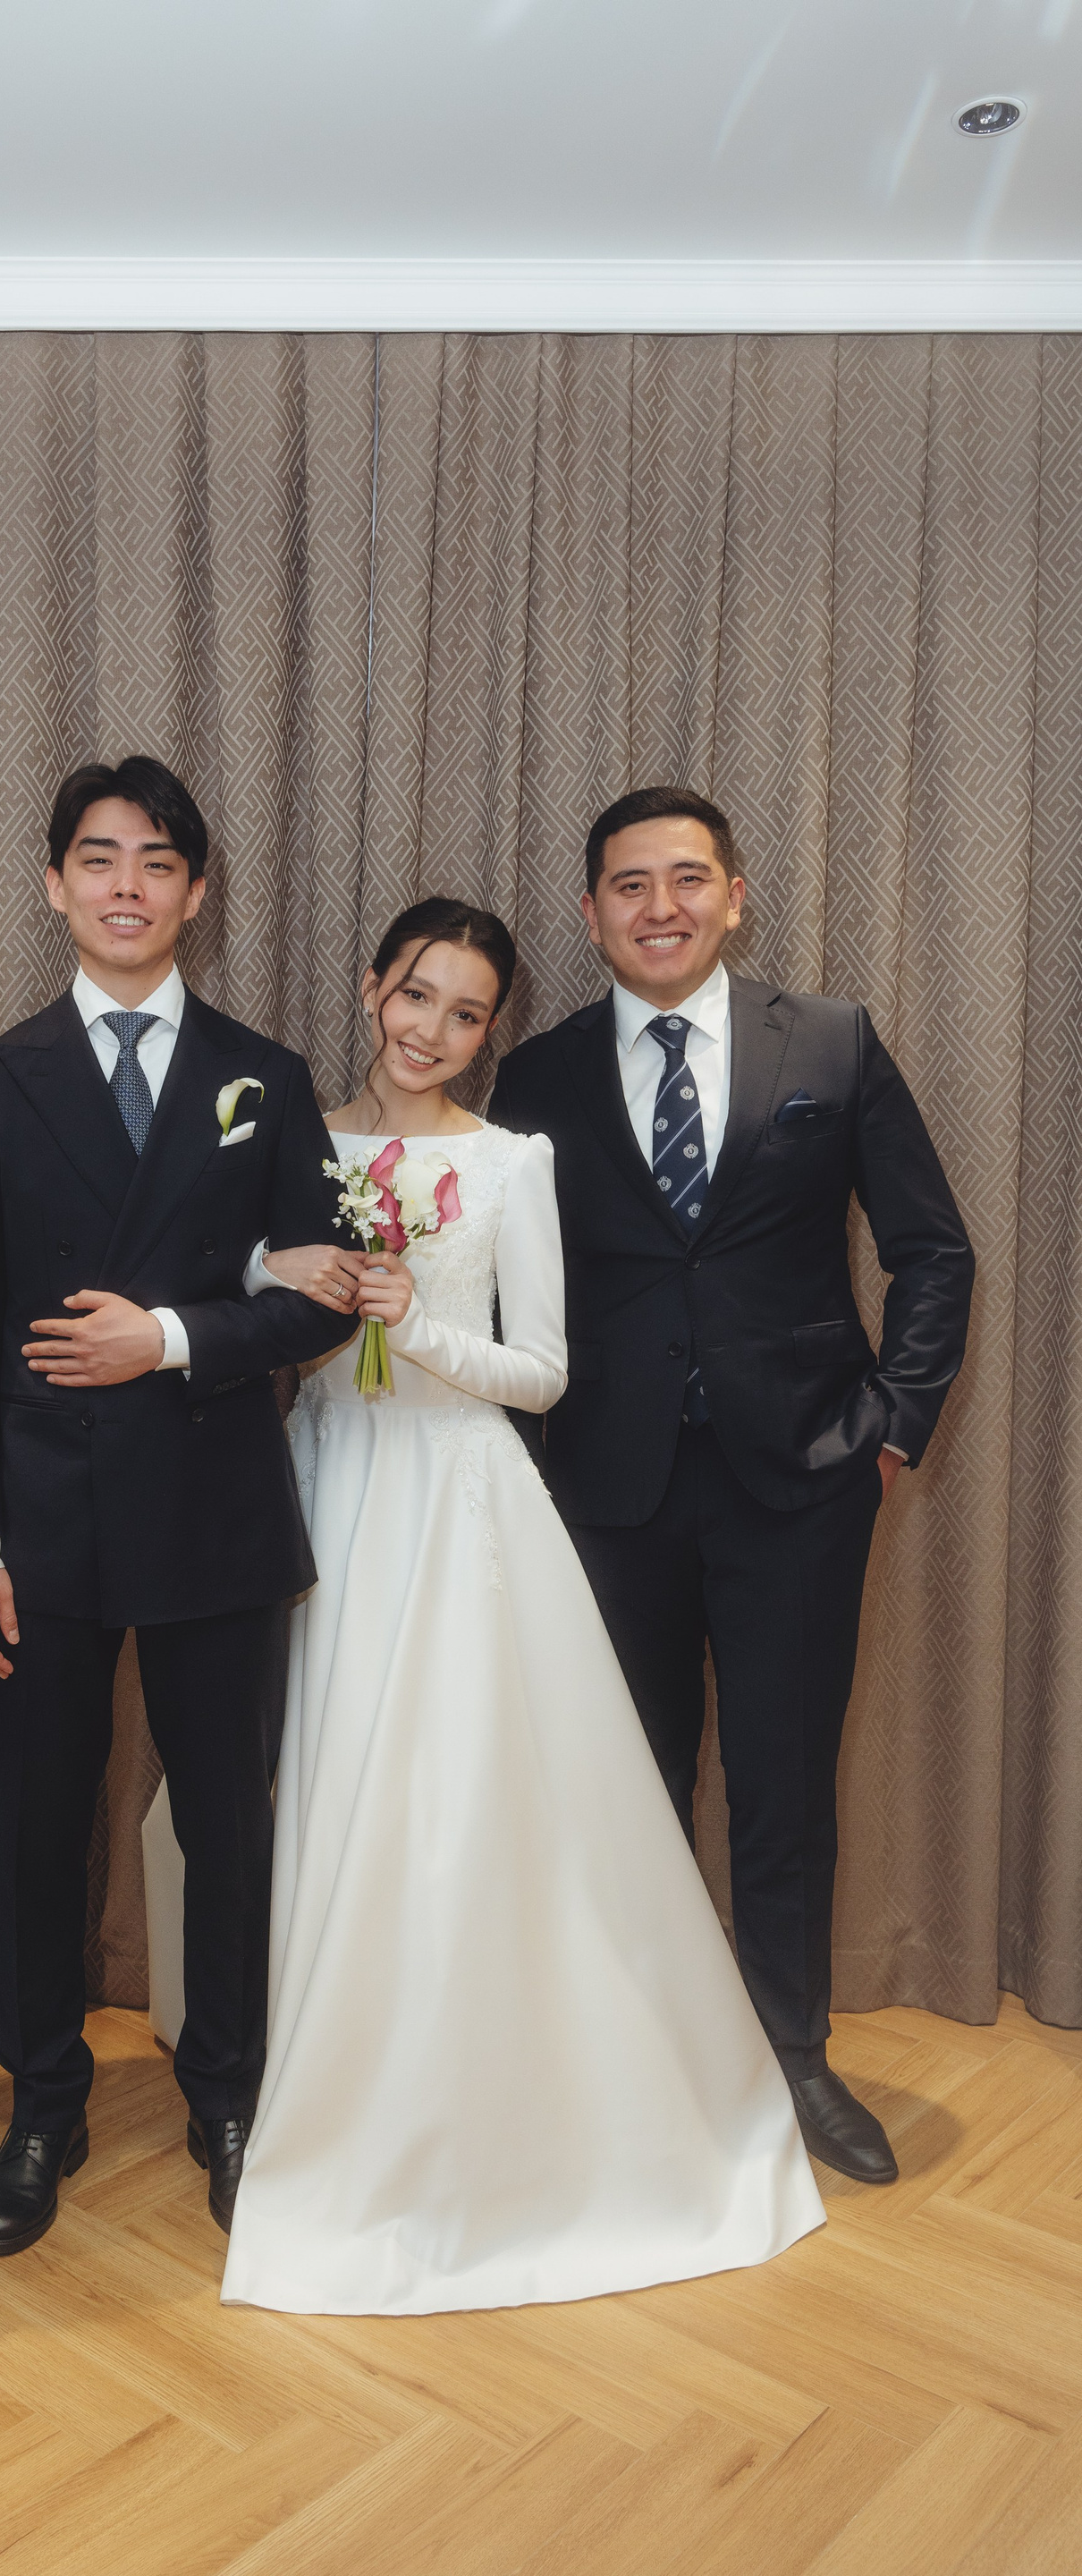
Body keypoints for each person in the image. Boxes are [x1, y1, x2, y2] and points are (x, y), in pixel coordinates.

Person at [219, 897, 824, 2315]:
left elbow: (542, 1371)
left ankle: (486, 2096)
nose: (430, 1030)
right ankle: (311, 2074)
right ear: (371, 988)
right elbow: (235, 1281)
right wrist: (274, 1270)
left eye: (466, 1013)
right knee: (321, 1781)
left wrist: (411, 1323)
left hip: (455, 1499)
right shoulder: (295, 1145)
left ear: (494, 1033)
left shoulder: (510, 1163)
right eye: (414, 995)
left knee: (455, 1796)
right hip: (321, 1486)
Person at [491, 786, 975, 2184]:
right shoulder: (536, 1075)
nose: (662, 907)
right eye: (630, 886)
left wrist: (894, 1423)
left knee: (783, 1785)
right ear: (591, 914)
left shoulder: (831, 1041)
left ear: (735, 895)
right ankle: (636, 2059)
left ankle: (791, 2056)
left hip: (803, 1482)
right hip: (606, 1488)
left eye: (688, 879)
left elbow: (932, 1250)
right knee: (625, 1782)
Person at [0, 756, 347, 2256]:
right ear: (54, 883)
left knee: (227, 1821)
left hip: (211, 1507)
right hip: (37, 1525)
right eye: (99, 859)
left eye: (157, 861)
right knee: (38, 1824)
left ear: (196, 891)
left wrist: (165, 1337)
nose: (127, 885)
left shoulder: (265, 1075)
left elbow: (324, 1299)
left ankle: (225, 2093)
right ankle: (44, 2103)